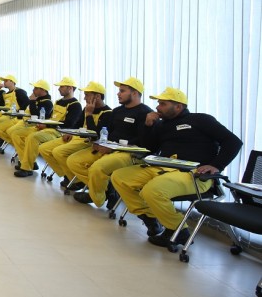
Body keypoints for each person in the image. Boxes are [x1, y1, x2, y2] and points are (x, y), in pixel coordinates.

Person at [110, 87, 242, 245]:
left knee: (153, 190)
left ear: (178, 106)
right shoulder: (161, 125)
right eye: (158, 103)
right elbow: (150, 148)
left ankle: (178, 230)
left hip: (193, 174)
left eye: (163, 104)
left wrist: (216, 165)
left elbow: (233, 142)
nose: (158, 107)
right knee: (119, 177)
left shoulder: (201, 120)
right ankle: (150, 218)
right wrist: (148, 126)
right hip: (161, 168)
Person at [68, 77, 152, 208]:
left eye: (122, 91)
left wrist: (113, 148)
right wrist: (102, 143)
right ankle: (106, 190)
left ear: (135, 93)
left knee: (97, 168)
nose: (118, 94)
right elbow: (106, 132)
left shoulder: (145, 112)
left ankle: (97, 196)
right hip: (108, 147)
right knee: (73, 161)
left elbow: (142, 141)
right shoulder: (117, 111)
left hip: (128, 153)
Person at [37, 81, 112, 186]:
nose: (85, 98)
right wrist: (70, 132)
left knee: (59, 152)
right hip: (76, 137)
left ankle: (76, 180)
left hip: (88, 142)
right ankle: (69, 175)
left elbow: (96, 134)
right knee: (44, 148)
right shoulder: (86, 108)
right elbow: (78, 124)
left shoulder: (108, 113)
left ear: (98, 96)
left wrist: (89, 114)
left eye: (87, 95)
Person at [12, 77, 83, 177]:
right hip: (47, 128)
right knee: (16, 134)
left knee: (33, 137)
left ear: (70, 88)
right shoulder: (58, 101)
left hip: (58, 131)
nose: (59, 89)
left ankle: (26, 167)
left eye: (62, 87)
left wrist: (47, 124)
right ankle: (28, 162)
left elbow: (69, 123)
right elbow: (50, 116)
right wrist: (43, 123)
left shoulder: (75, 105)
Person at [0, 79, 53, 157]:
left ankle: (25, 155)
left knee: (14, 133)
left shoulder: (47, 102)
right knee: (9, 131)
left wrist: (32, 101)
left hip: (34, 125)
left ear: (43, 90)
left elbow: (35, 115)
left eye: (36, 88)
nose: (33, 90)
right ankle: (22, 151)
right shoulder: (37, 99)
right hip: (24, 121)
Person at [0, 75, 30, 150]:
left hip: (15, 116)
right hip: (5, 114)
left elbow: (26, 103)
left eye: (6, 81)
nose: (4, 82)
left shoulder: (19, 91)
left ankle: (18, 146)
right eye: (4, 81)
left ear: (12, 82)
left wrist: (18, 113)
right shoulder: (5, 94)